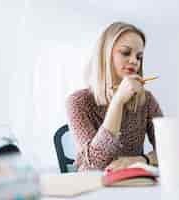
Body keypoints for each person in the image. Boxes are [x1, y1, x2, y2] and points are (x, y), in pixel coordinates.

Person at [66, 22, 163, 172]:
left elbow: (170, 149)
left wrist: (142, 159)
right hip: (94, 187)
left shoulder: (146, 100)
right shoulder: (78, 102)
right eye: (125, 52)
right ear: (105, 54)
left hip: (134, 185)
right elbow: (94, 163)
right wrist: (118, 102)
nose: (134, 61)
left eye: (139, 57)